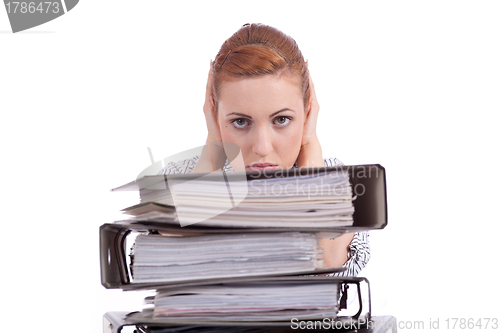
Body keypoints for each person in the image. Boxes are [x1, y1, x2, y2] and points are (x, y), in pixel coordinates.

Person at [158, 23, 370, 276]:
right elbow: (175, 266)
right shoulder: (181, 176)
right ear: (215, 116)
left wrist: (310, 151)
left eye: (281, 120)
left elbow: (328, 265)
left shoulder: (338, 180)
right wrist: (214, 149)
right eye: (240, 121)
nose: (262, 147)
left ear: (307, 111)